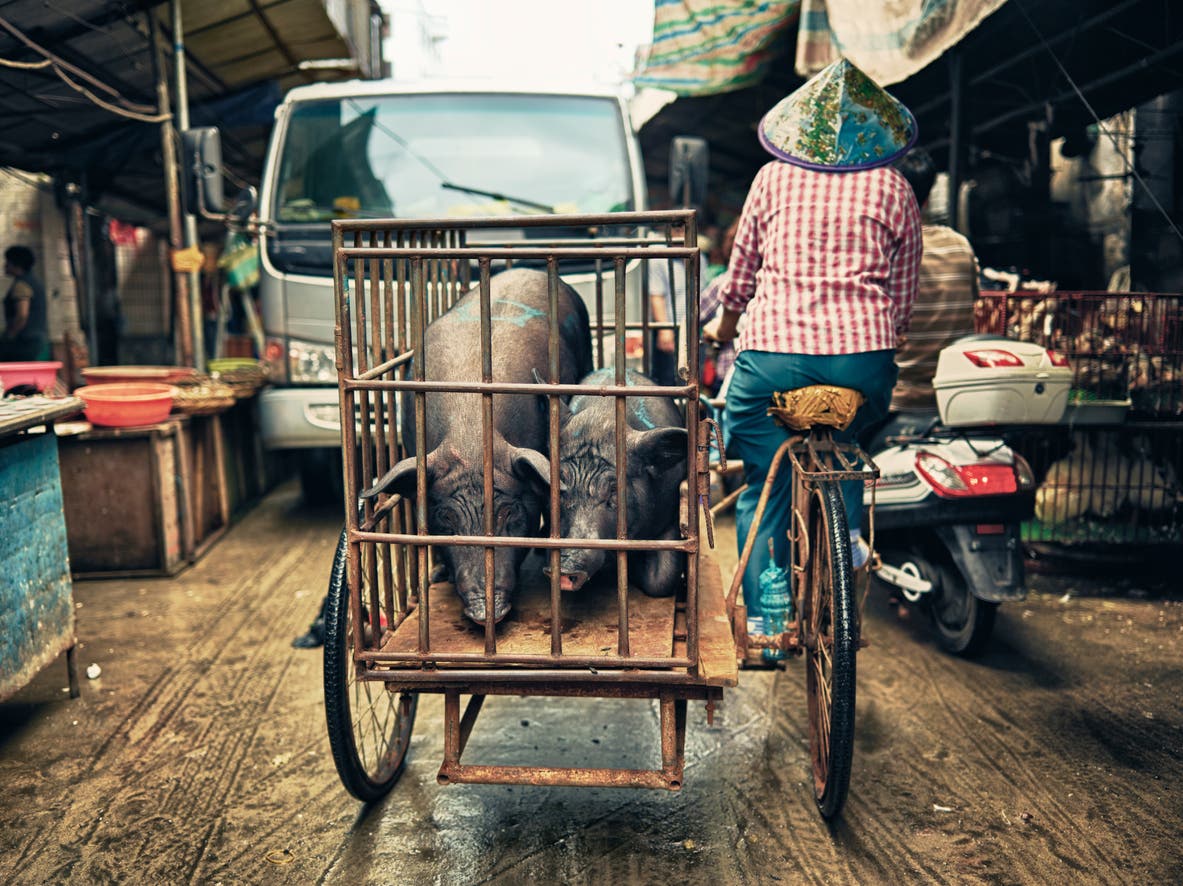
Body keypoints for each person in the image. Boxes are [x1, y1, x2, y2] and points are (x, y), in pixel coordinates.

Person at [703, 59, 922, 631]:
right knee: (847, 444)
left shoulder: (772, 179)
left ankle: (769, 626)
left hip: (774, 361)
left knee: (763, 480)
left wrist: (724, 328)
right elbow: (902, 298)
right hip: (862, 363)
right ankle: (846, 538)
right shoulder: (897, 187)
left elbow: (741, 275)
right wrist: (879, 336)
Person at [865, 147, 980, 450]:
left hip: (895, 402)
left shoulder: (878, 251)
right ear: (927, 198)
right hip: (952, 398)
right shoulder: (960, 246)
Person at [2, 245, 49, 362]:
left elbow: (22, 315)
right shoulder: (35, 282)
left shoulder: (21, 285)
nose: (4, 265)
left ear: (15, 264)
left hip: (24, 342)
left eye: (7, 262)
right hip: (36, 340)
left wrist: (10, 335)